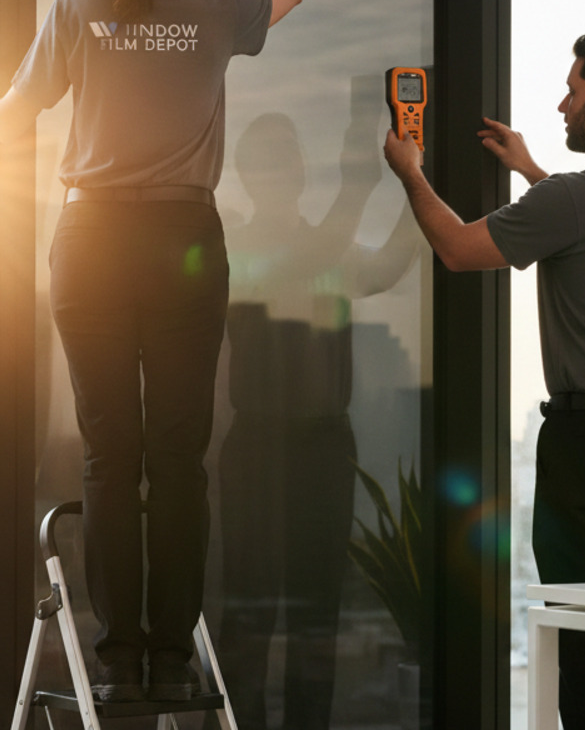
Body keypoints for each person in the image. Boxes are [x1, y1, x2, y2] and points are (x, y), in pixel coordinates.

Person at [0, 0, 322, 704]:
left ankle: (117, 665)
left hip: (93, 242)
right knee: (179, 457)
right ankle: (170, 657)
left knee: (109, 456)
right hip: (183, 241)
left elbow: (7, 124)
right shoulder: (219, 10)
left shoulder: (80, 7)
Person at [382, 33, 585, 730]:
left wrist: (410, 172)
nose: (562, 104)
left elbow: (457, 247)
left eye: (572, 90)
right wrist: (533, 168)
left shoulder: (574, 198)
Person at [218, 98, 419, 730]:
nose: (283, 172)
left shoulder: (324, 249)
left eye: (288, 161)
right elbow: (308, 264)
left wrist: (420, 188)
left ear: (301, 173)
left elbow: (385, 267)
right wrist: (364, 183)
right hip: (259, 449)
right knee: (252, 616)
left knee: (314, 617)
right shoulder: (236, 251)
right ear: (251, 176)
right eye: (269, 162)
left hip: (322, 448)